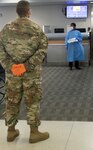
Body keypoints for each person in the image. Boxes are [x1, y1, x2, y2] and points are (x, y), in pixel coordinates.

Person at [0, 0, 49, 143]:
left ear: (17, 11)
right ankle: (34, 133)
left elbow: (1, 51)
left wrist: (10, 66)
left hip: (12, 73)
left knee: (12, 100)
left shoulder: (6, 28)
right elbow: (42, 50)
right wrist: (26, 66)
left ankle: (11, 131)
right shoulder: (36, 28)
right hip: (31, 74)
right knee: (32, 100)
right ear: (29, 11)